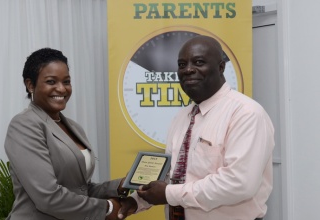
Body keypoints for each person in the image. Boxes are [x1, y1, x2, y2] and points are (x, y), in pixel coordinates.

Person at [118, 35, 275, 220]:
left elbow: (239, 183)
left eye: (199, 62)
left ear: (221, 67)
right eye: (182, 64)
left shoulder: (246, 114)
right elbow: (172, 176)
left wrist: (169, 194)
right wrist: (136, 201)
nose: (188, 70)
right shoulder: (181, 117)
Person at [4, 48, 128, 220]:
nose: (61, 89)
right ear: (30, 85)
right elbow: (48, 197)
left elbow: (80, 189)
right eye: (51, 81)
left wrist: (119, 186)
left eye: (66, 81)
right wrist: (106, 208)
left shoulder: (74, 128)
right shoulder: (24, 125)